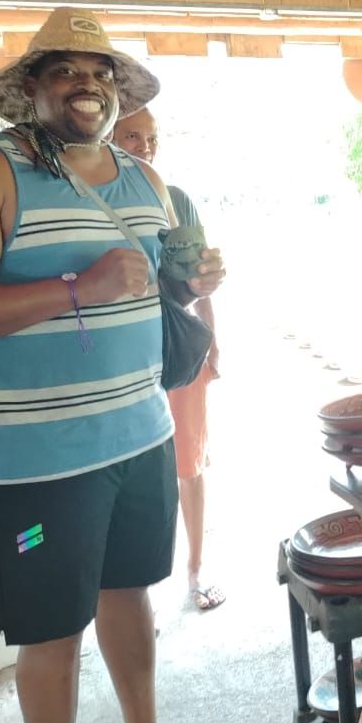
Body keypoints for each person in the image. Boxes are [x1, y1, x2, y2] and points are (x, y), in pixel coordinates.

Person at [0, 7, 225, 723]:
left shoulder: (146, 178)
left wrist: (192, 281)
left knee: (130, 595)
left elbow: (149, 290)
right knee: (50, 631)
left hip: (142, 436)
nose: (89, 85)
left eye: (102, 73)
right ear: (31, 90)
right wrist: (78, 288)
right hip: (37, 458)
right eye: (68, 71)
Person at [113, 107, 225, 612]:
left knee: (188, 462)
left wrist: (212, 340)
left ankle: (197, 568)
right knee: (130, 475)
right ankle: (134, 599)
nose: (145, 146)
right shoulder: (82, 203)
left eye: (152, 137)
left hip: (177, 348)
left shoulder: (174, 198)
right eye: (132, 135)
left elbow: (198, 277)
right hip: (116, 359)